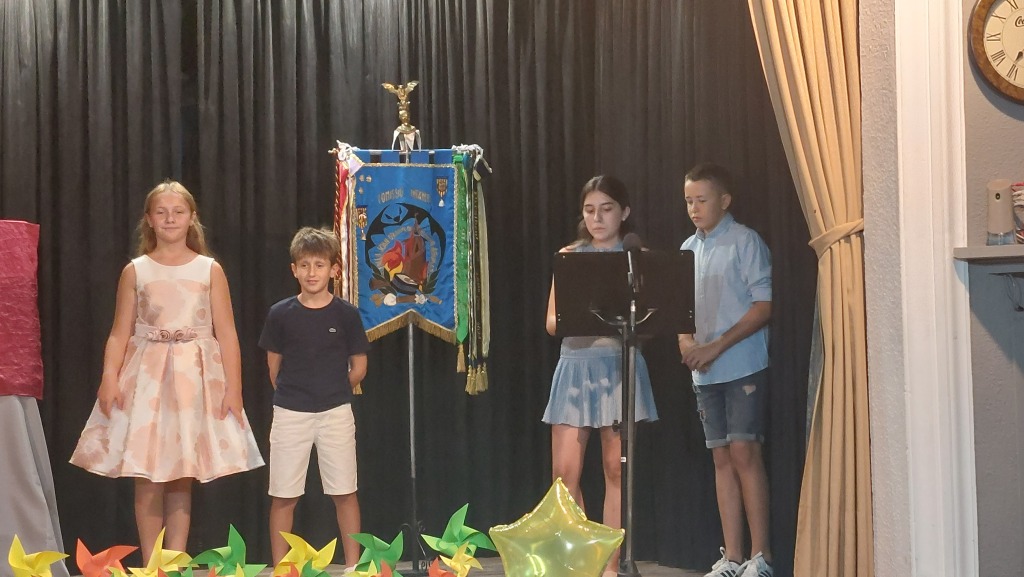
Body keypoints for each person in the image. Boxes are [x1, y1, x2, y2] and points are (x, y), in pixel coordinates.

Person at [71, 180, 264, 561]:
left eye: (178, 212)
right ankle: (151, 562)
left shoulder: (209, 270)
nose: (170, 219)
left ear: (192, 218)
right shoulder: (136, 271)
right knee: (147, 474)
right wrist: (109, 377)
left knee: (180, 473)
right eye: (161, 212)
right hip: (147, 378)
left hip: (193, 379)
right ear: (149, 219)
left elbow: (226, 333)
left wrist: (234, 388)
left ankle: (173, 562)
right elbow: (119, 332)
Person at [543, 175, 658, 576]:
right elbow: (552, 322)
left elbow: (653, 319)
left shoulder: (636, 257)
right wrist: (584, 317)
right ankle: (583, 561)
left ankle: (610, 566)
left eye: (606, 209)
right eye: (590, 210)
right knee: (564, 474)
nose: (597, 218)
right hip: (576, 365)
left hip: (618, 365)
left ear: (624, 212)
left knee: (616, 469)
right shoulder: (570, 256)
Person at [678, 163, 773, 577]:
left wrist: (716, 345)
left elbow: (763, 306)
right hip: (705, 372)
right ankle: (732, 556)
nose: (694, 209)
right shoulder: (688, 248)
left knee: (744, 453)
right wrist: (687, 344)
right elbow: (680, 310)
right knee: (720, 458)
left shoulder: (745, 241)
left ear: (725, 200)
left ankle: (761, 555)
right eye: (688, 201)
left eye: (701, 200)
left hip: (741, 365)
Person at [258, 227, 370, 569]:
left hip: (336, 412)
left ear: (333, 269)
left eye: (319, 265)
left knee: (345, 491)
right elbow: (273, 368)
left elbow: (359, 367)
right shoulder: (280, 313)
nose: (311, 272)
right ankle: (282, 569)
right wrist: (296, 395)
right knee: (283, 493)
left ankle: (353, 567)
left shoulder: (346, 314)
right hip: (290, 413)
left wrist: (332, 390)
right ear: (294, 269)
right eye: (304, 265)